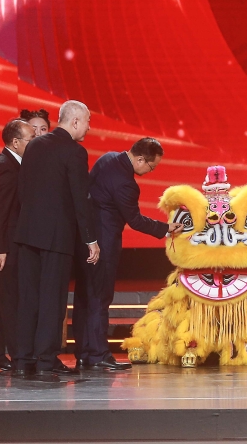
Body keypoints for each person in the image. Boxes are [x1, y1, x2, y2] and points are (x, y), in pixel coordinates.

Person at [13, 100, 99, 382]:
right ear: (74, 121)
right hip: (56, 237)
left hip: (27, 234)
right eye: (87, 121)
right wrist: (90, 240)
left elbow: (23, 189)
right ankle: (46, 361)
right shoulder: (75, 151)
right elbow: (79, 200)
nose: (88, 127)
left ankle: (24, 359)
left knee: (28, 299)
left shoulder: (35, 145)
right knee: (52, 300)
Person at [74, 138, 178, 371]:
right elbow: (135, 220)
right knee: (100, 298)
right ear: (140, 159)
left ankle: (83, 354)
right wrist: (165, 228)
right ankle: (99, 354)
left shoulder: (107, 158)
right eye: (151, 167)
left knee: (85, 296)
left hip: (85, 238)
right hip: (104, 244)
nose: (150, 172)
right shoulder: (126, 184)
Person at [0, 119, 36, 374]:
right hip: (5, 250)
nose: (34, 143)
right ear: (16, 142)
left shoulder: (14, 164)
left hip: (10, 247)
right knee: (11, 303)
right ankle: (19, 358)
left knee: (0, 303)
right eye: (30, 139)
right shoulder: (4, 167)